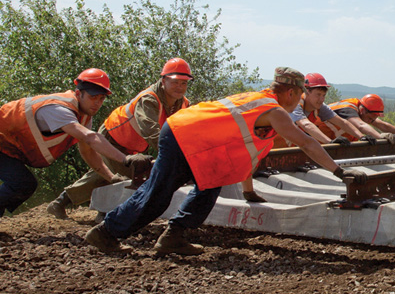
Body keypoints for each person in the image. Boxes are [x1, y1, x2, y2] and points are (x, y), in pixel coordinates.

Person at [84, 68, 350, 257]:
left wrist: (248, 191)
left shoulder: (258, 97)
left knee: (211, 184)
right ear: (291, 92)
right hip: (182, 136)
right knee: (158, 194)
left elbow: (247, 152)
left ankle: (174, 236)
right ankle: (106, 233)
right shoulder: (274, 110)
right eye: (300, 95)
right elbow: (307, 142)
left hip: (196, 142)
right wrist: (339, 172)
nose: (299, 102)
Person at [0, 69, 148, 238]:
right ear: (79, 92)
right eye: (93, 97)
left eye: (101, 98)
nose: (97, 103)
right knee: (23, 184)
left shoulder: (82, 112)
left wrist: (110, 177)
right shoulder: (61, 110)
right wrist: (126, 160)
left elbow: (87, 150)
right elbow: (89, 138)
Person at [47, 58, 193, 219]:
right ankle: (104, 213)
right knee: (130, 174)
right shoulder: (149, 99)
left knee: (104, 173)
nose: (179, 87)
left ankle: (64, 203)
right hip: (113, 137)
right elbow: (151, 132)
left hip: (134, 144)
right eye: (175, 82)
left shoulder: (184, 104)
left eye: (184, 83)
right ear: (164, 80)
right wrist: (177, 156)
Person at [292, 73, 365, 145]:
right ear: (307, 92)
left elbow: (341, 122)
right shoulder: (295, 103)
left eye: (323, 95)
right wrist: (329, 142)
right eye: (318, 94)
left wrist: (361, 137)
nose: (321, 99)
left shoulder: (320, 106)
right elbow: (305, 124)